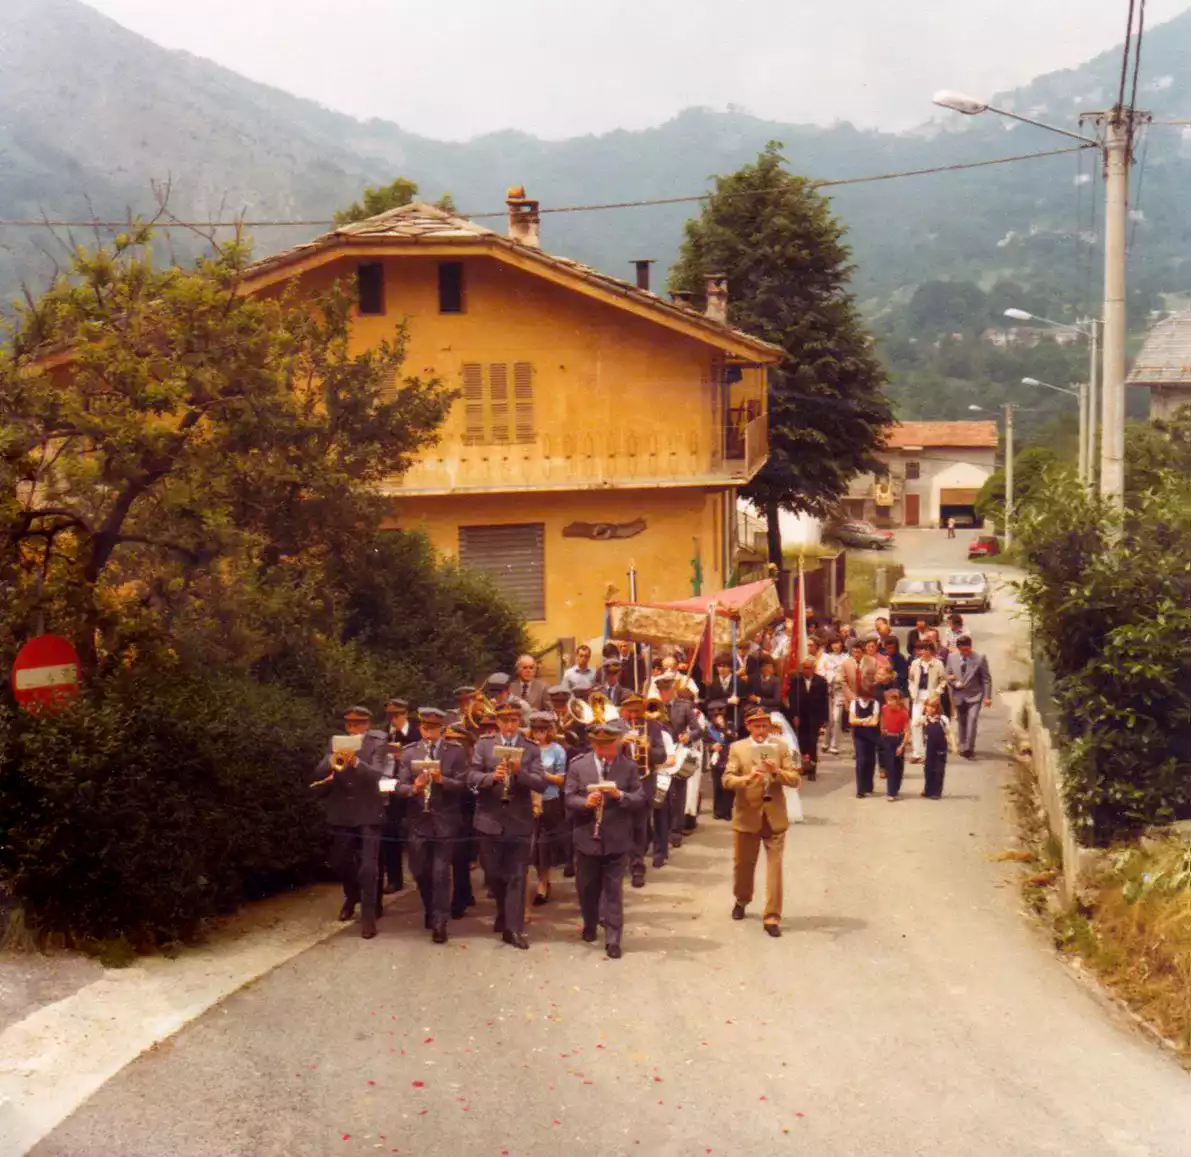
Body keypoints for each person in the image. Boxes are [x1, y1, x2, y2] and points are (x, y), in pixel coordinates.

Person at [565, 718, 647, 959]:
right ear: (592, 744)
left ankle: (613, 938)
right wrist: (585, 802)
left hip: (616, 838)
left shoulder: (629, 766)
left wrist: (619, 795)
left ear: (619, 743)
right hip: (586, 837)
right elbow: (568, 798)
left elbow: (640, 799)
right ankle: (590, 922)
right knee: (586, 888)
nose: (605, 752)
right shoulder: (578, 766)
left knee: (613, 890)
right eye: (600, 746)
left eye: (609, 746)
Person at [468, 702, 547, 949]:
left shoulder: (530, 748)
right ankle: (503, 911)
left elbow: (541, 783)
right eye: (505, 721)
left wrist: (519, 771)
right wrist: (492, 778)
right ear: (498, 723)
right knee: (492, 873)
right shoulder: (484, 745)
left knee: (516, 875)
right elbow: (470, 776)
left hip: (519, 820)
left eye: (514, 720)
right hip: (489, 819)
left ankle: (513, 928)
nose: (510, 725)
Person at [310, 706, 388, 939]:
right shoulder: (336, 742)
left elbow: (377, 774)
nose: (353, 728)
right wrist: (332, 760)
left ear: (367, 725)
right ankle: (352, 895)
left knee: (368, 867)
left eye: (358, 724)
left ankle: (368, 917)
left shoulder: (377, 743)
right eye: (350, 724)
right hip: (342, 811)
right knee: (340, 862)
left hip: (368, 811)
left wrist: (355, 763)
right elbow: (319, 770)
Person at [723, 707, 801, 938]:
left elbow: (796, 776)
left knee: (775, 869)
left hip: (774, 817)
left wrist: (777, 771)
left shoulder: (783, 747)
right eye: (756, 725)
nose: (761, 730)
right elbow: (727, 779)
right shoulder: (737, 748)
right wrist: (747, 779)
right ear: (748, 726)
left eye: (764, 725)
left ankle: (772, 917)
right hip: (747, 815)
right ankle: (742, 899)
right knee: (743, 865)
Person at [397, 707, 469, 944]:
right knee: (419, 871)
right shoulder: (409, 753)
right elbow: (398, 786)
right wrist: (414, 788)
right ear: (420, 728)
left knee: (440, 873)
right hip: (418, 821)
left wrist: (442, 780)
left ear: (442, 729)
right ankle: (431, 908)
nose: (430, 733)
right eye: (426, 728)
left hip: (445, 821)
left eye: (435, 729)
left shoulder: (455, 752)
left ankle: (440, 922)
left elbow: (463, 785)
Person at [528, 712, 570, 907]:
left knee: (544, 845)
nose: (539, 734)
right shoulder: (527, 748)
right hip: (529, 800)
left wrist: (542, 774)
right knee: (532, 845)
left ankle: (543, 883)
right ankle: (538, 879)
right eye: (536, 730)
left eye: (543, 730)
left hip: (549, 799)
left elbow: (561, 779)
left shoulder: (557, 750)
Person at [380, 697, 418, 894]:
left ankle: (420, 873)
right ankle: (395, 879)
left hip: (413, 786)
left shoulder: (417, 732)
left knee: (413, 831)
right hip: (390, 785)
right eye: (390, 716)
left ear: (405, 714)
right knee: (390, 832)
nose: (393, 720)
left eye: (396, 715)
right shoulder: (385, 734)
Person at [944, 635, 993, 759]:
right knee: (962, 721)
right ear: (958, 648)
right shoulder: (951, 657)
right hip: (959, 694)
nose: (966, 652)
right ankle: (962, 745)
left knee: (972, 719)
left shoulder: (979, 658)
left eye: (968, 649)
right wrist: (955, 683)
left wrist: (987, 696)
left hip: (975, 694)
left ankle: (969, 748)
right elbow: (947, 674)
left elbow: (986, 679)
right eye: (963, 650)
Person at [788, 656, 829, 780]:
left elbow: (824, 701)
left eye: (810, 668)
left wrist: (825, 719)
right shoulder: (796, 680)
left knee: (812, 742)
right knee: (801, 742)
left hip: (814, 716)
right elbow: (792, 699)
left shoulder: (821, 681)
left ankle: (812, 769)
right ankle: (803, 766)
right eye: (805, 668)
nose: (807, 671)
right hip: (800, 716)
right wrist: (794, 715)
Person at [908, 640, 947, 763]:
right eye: (920, 650)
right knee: (915, 723)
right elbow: (911, 679)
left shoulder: (938, 664)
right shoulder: (915, 663)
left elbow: (943, 681)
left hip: (931, 695)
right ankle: (917, 753)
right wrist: (912, 691)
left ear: (930, 650)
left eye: (925, 649)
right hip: (918, 695)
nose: (922, 652)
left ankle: (931, 753)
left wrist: (937, 692)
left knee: (932, 724)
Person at [878, 688, 911, 801]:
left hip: (898, 739)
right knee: (890, 766)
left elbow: (907, 732)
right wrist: (882, 728)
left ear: (897, 701)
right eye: (887, 700)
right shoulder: (884, 709)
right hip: (888, 738)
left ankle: (895, 790)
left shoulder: (903, 713)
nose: (889, 703)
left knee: (898, 766)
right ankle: (890, 792)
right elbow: (882, 719)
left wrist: (902, 746)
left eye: (891, 700)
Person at [705, 699, 736, 820]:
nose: (718, 717)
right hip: (716, 760)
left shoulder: (730, 725)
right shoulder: (708, 729)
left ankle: (728, 811)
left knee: (728, 786)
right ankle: (718, 811)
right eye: (715, 715)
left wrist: (724, 728)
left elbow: (733, 738)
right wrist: (711, 746)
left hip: (728, 757)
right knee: (717, 786)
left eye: (720, 715)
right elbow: (705, 742)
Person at [922, 697, 957, 798]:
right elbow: (916, 723)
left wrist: (953, 745)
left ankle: (936, 792)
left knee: (939, 770)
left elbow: (949, 733)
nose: (930, 709)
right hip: (929, 748)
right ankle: (927, 790)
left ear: (937, 708)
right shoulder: (925, 718)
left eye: (933, 707)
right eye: (928, 706)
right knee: (928, 769)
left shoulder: (942, 719)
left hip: (940, 748)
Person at [848, 689, 880, 797]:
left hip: (872, 735)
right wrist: (866, 720)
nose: (866, 698)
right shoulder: (854, 703)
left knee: (870, 760)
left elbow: (875, 722)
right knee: (861, 760)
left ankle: (868, 787)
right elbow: (851, 720)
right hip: (859, 735)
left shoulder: (875, 703)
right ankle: (860, 789)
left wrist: (859, 721)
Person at [819, 637, 847, 756]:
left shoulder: (846, 657)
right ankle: (826, 742)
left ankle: (834, 745)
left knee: (837, 718)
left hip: (840, 690)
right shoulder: (825, 657)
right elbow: (820, 672)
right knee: (830, 719)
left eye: (838, 643)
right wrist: (830, 678)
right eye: (834, 643)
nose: (836, 646)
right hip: (828, 690)